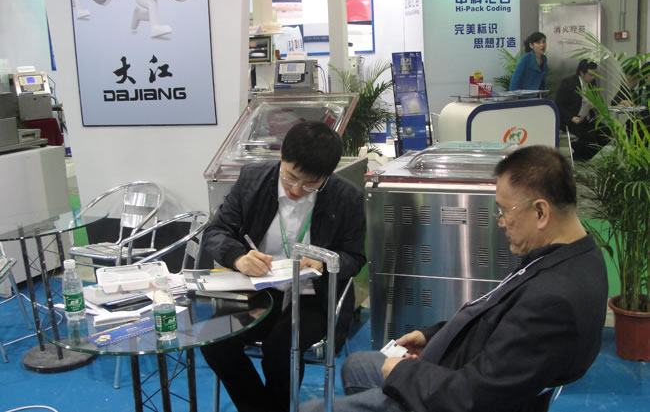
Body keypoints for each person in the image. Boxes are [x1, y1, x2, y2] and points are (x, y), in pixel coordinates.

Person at [302, 145, 608, 412]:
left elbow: (474, 395)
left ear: (540, 212)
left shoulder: (553, 301)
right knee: (356, 366)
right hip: (460, 366)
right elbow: (494, 313)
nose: (501, 222)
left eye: (504, 211)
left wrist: (402, 373)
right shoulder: (571, 255)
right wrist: (433, 336)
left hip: (454, 394)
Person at [199, 121, 366, 412]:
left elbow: (355, 257)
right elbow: (215, 232)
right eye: (291, 177)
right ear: (281, 158)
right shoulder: (253, 181)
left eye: (311, 184)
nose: (297, 190)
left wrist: (326, 262)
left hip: (313, 295)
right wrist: (239, 257)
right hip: (260, 288)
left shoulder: (346, 197)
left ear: (327, 176)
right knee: (214, 340)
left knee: (282, 350)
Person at [556, 59, 609, 161]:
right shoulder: (568, 83)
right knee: (589, 134)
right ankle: (579, 155)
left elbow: (599, 100)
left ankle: (583, 155)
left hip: (586, 119)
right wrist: (572, 118)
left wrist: (596, 105)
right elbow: (560, 105)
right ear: (581, 73)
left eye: (595, 75)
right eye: (591, 75)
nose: (593, 77)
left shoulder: (592, 84)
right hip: (572, 120)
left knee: (606, 132)